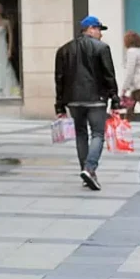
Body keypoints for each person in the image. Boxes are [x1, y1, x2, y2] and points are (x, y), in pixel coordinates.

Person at [54, 15, 119, 191]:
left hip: (73, 100)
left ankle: (86, 171)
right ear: (90, 29)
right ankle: (90, 168)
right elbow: (109, 75)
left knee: (81, 134)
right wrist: (115, 98)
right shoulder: (102, 48)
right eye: (99, 29)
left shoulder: (64, 50)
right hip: (96, 98)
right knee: (98, 134)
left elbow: (59, 78)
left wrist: (59, 104)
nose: (100, 34)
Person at [121, 31, 140, 130]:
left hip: (136, 83)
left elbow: (130, 71)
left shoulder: (131, 52)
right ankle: (125, 124)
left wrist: (125, 87)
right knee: (131, 106)